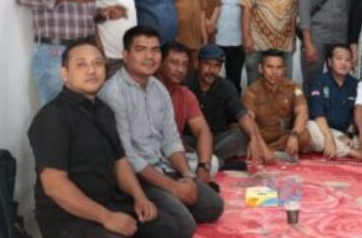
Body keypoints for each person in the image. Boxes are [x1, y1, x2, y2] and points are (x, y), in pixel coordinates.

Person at [28, 39, 175, 238]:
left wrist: (140, 198)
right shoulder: (53, 116)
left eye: (97, 63)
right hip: (69, 218)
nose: (91, 70)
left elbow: (120, 162)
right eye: (81, 64)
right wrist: (106, 217)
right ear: (64, 73)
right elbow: (55, 186)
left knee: (170, 227)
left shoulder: (104, 110)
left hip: (110, 202)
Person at [99, 27, 224, 236]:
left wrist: (188, 176)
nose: (149, 56)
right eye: (141, 49)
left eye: (155, 50)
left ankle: (170, 204)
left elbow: (171, 140)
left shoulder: (158, 89)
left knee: (214, 206)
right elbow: (128, 157)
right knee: (183, 227)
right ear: (125, 55)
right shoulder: (114, 93)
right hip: (136, 178)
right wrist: (173, 188)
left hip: (164, 167)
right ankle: (140, 209)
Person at [187, 44, 272, 166]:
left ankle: (207, 159)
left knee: (243, 134)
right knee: (175, 142)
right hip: (191, 139)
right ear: (198, 63)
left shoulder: (226, 87)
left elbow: (242, 115)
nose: (212, 70)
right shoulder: (186, 85)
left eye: (217, 66)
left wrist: (254, 138)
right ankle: (214, 161)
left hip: (217, 140)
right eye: (207, 64)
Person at [156, 42, 219, 185]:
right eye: (174, 63)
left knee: (212, 162)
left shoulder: (185, 94)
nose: (180, 69)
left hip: (174, 156)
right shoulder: (148, 90)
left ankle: (181, 177)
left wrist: (203, 167)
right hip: (148, 158)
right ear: (159, 63)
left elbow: (203, 131)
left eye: (184, 65)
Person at [298, 0, 352, 93]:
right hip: (316, 39)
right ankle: (311, 109)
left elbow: (348, 10)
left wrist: (350, 44)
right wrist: (308, 44)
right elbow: (304, 14)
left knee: (339, 80)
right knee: (312, 81)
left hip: (340, 39)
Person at [243, 50, 311, 158]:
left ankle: (267, 151)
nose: (274, 72)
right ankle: (268, 150)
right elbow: (249, 119)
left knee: (304, 136)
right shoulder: (252, 91)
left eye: (279, 67)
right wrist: (256, 139)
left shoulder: (292, 87)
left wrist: (294, 135)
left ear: (284, 69)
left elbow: (302, 113)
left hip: (283, 135)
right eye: (269, 67)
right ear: (261, 68)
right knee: (242, 132)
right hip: (261, 135)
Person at [306, 45, 362, 160]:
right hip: (323, 129)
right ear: (330, 62)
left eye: (347, 60)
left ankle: (335, 147)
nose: (343, 63)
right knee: (309, 127)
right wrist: (329, 137)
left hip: (343, 134)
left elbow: (356, 116)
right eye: (339, 58)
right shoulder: (318, 82)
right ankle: (351, 152)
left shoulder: (357, 85)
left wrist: (348, 136)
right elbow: (318, 114)